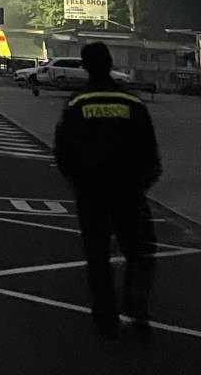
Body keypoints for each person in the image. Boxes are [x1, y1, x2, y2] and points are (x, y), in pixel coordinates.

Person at [53, 41, 162, 339]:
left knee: (97, 256)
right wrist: (141, 183)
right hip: (129, 192)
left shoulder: (77, 105)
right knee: (139, 253)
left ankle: (106, 318)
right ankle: (137, 308)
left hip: (92, 194)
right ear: (111, 63)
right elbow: (150, 152)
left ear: (85, 67)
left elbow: (63, 152)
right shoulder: (133, 104)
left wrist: (79, 182)